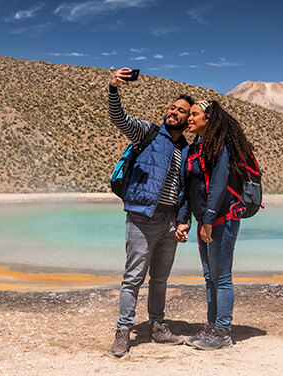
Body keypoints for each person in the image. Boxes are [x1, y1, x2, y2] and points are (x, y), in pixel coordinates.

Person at [108, 67, 194, 357]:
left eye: (181, 111)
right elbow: (120, 119)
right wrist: (114, 89)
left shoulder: (187, 149)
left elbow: (187, 191)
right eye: (172, 107)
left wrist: (184, 221)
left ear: (187, 119)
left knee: (160, 278)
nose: (174, 112)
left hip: (170, 221)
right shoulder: (148, 132)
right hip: (142, 217)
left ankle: (157, 325)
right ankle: (123, 330)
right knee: (133, 277)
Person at [175, 100, 253, 350]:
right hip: (204, 222)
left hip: (223, 220)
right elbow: (190, 189)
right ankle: (211, 326)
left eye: (195, 114)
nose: (190, 118)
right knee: (210, 277)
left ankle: (223, 331)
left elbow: (218, 186)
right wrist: (184, 220)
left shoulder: (220, 148)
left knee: (222, 278)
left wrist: (207, 221)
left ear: (208, 119)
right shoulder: (194, 149)